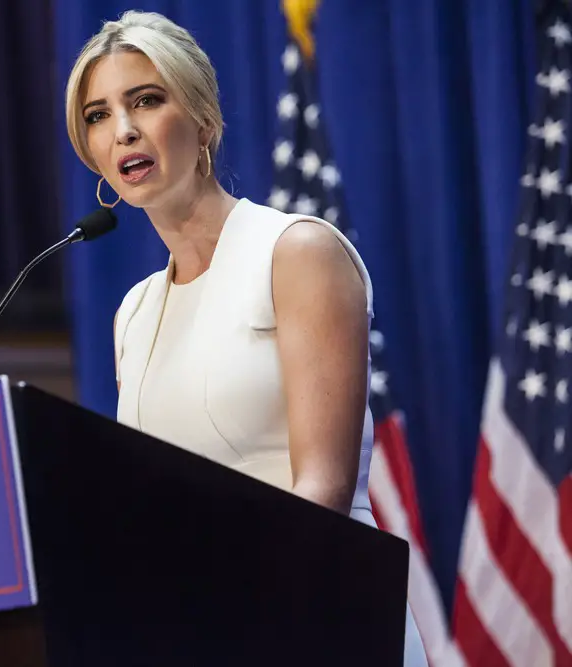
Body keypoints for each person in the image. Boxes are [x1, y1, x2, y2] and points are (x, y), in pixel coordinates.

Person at [64, 10, 429, 667]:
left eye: (146, 100)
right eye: (98, 115)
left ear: (203, 121)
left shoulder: (296, 252)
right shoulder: (134, 312)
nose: (123, 130)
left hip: (320, 621)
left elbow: (321, 488)